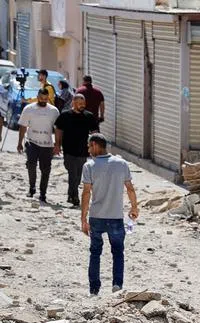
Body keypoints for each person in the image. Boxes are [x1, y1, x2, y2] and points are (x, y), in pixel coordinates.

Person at [81, 133, 139, 295]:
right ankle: (117, 285)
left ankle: (94, 289)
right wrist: (134, 207)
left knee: (95, 253)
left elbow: (86, 193)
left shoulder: (89, 166)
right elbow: (130, 188)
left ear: (95, 145)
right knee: (118, 252)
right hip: (116, 217)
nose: (88, 150)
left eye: (89, 147)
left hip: (96, 216)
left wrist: (83, 219)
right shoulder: (122, 164)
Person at [54, 92, 100, 206]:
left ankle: (71, 194)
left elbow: (95, 132)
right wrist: (57, 145)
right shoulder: (65, 115)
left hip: (83, 151)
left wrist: (96, 148)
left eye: (83, 103)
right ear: (73, 103)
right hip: (69, 150)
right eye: (79, 103)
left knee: (78, 175)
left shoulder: (89, 116)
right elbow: (58, 130)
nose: (82, 105)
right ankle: (74, 196)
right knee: (72, 173)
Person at [17, 88, 59, 202]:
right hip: (32, 142)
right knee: (31, 165)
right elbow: (23, 126)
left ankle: (43, 193)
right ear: (37, 97)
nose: (43, 100)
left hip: (47, 145)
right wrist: (19, 143)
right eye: (41, 98)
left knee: (45, 170)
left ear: (48, 98)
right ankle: (32, 188)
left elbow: (58, 129)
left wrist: (57, 145)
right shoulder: (29, 109)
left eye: (45, 99)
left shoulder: (54, 111)